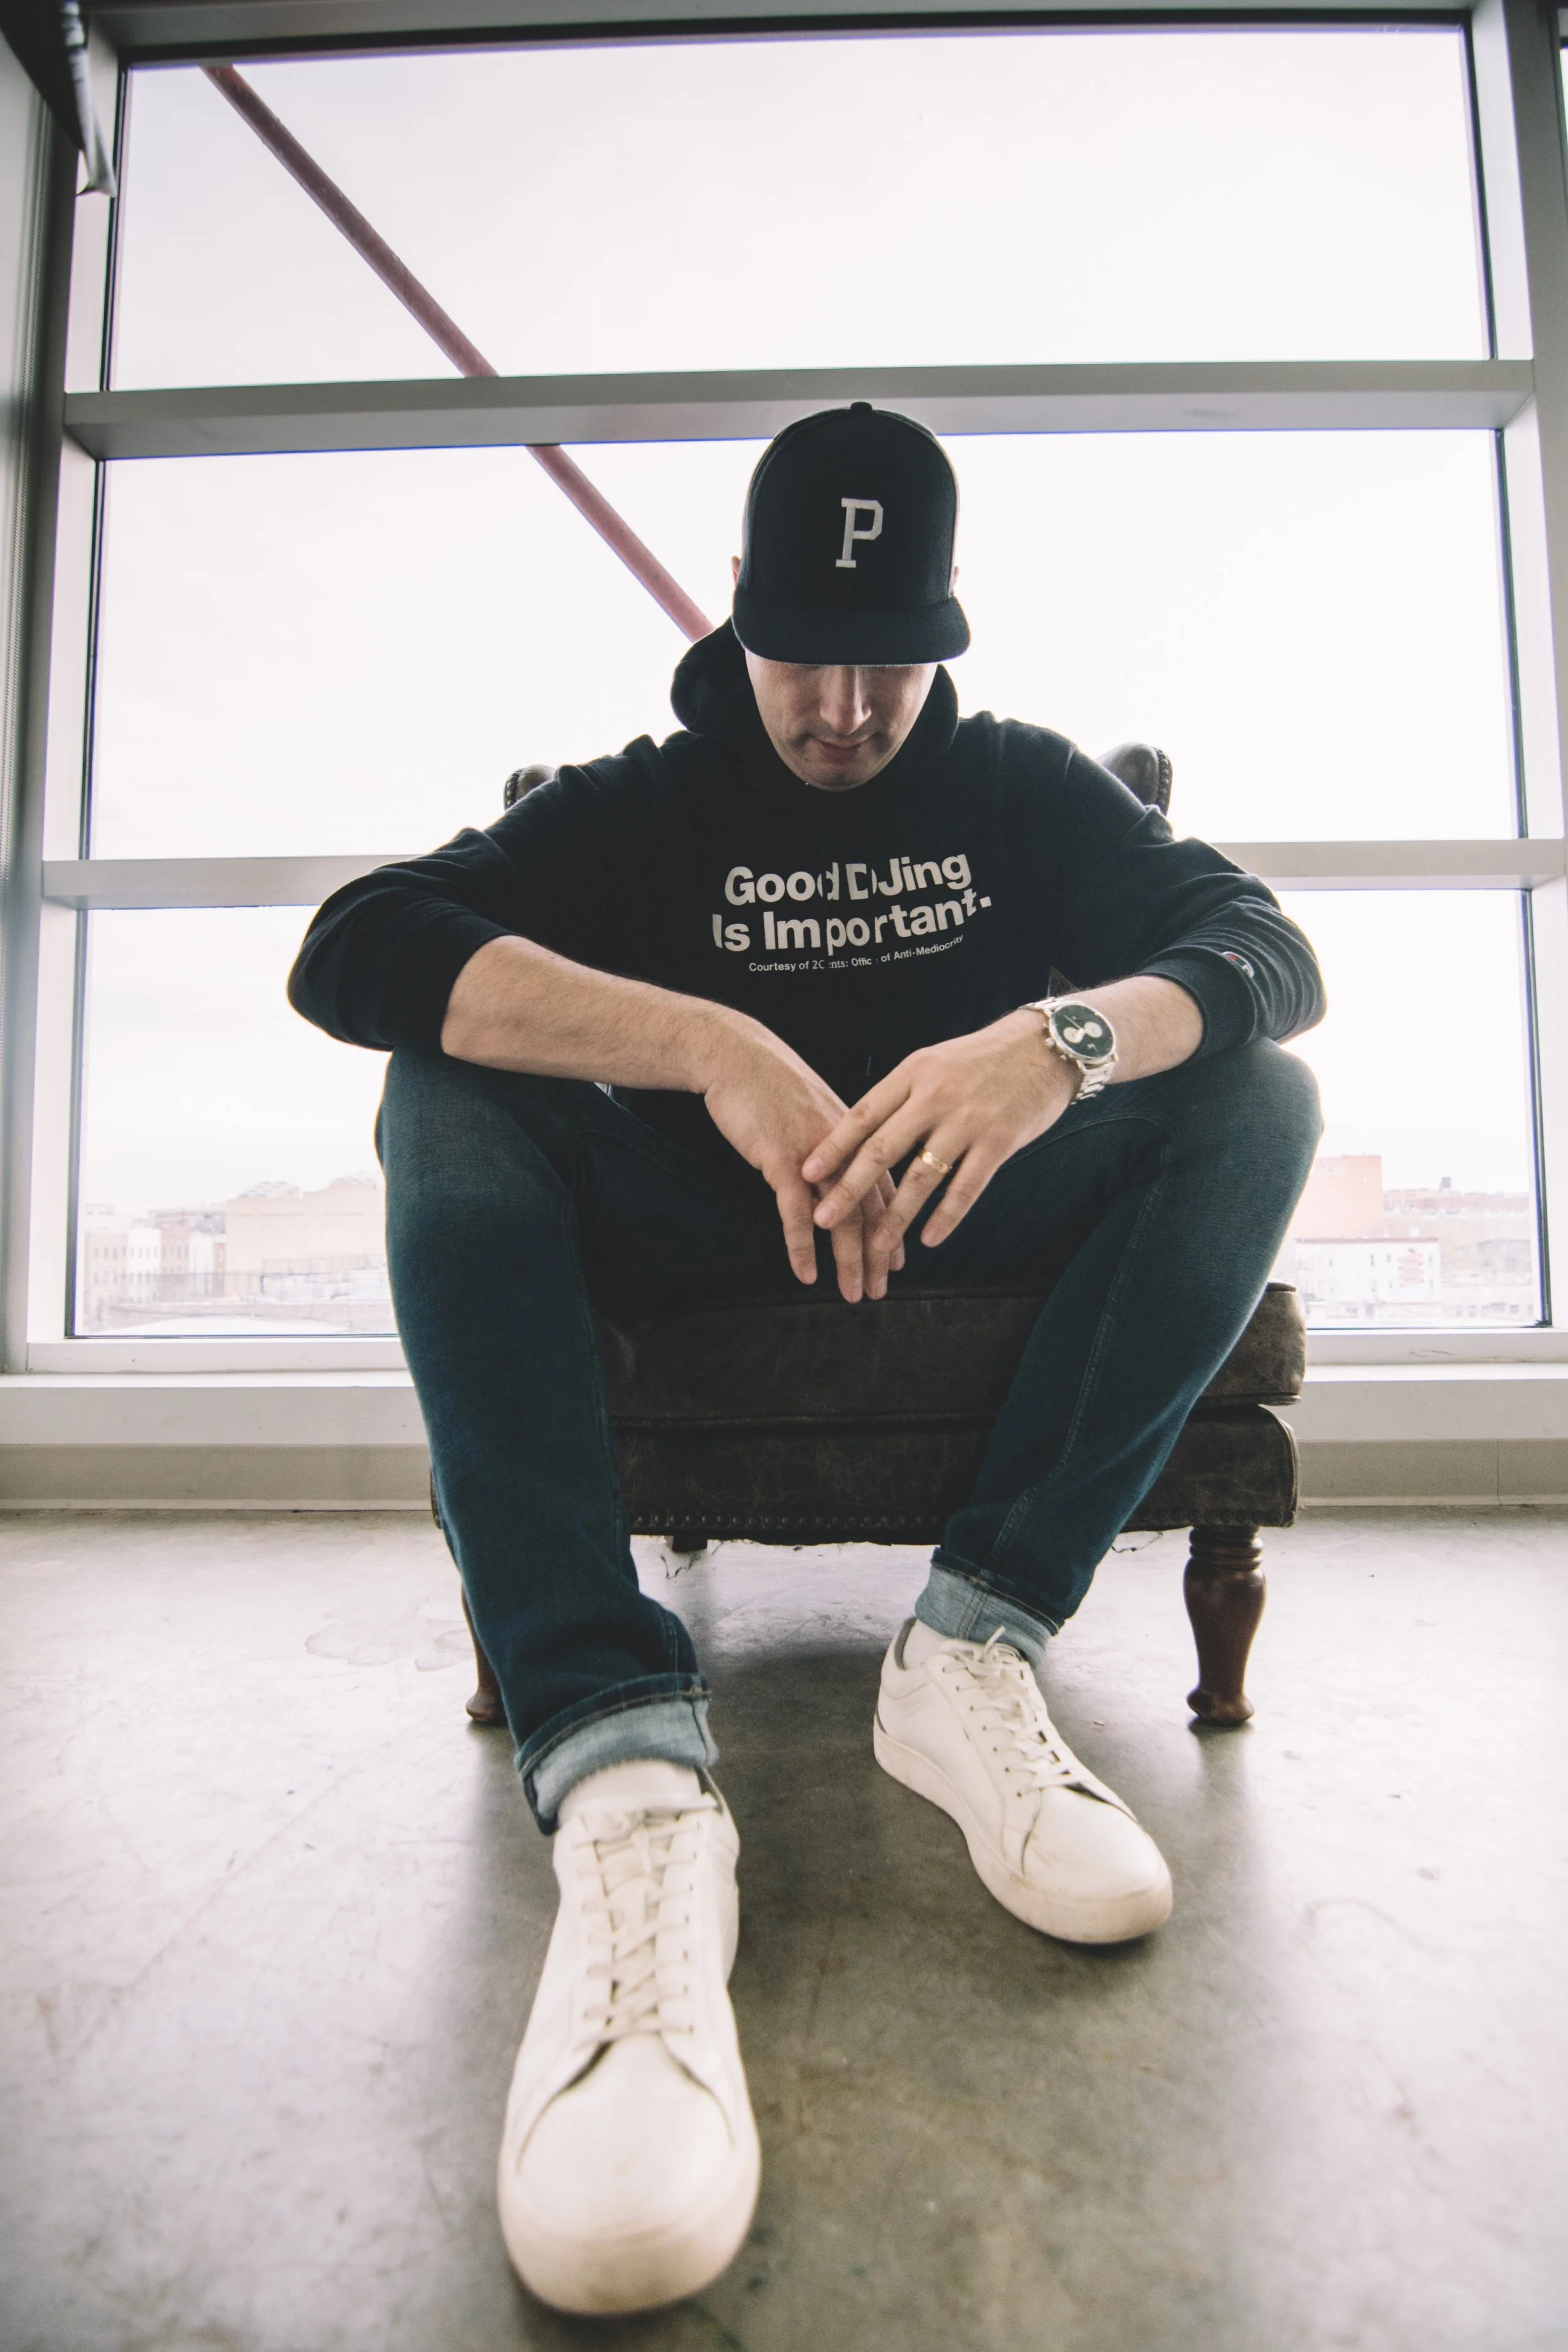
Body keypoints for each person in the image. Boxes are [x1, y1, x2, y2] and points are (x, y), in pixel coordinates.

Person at [288, 403, 1324, 2317]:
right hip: (702, 1226)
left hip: (967, 1207)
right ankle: (618, 1763)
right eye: (803, 658)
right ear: (735, 612)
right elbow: (355, 946)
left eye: (889, 661)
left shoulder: (1020, 788)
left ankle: (973, 1644)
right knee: (444, 1081)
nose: (844, 709)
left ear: (945, 626)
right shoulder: (641, 802)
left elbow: (1260, 946)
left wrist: (1057, 1045)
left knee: (1257, 1099)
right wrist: (709, 1047)